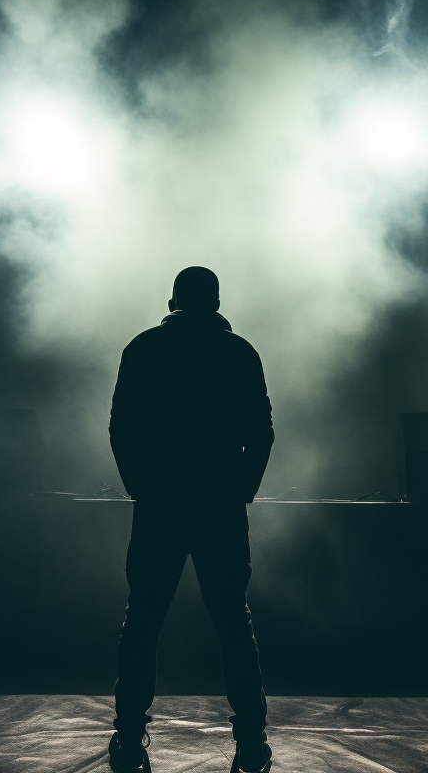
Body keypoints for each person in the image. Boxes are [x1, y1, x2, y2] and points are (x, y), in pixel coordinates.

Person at [107, 266, 276, 773]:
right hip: (219, 504)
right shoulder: (239, 352)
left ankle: (129, 736)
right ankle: (250, 740)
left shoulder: (143, 348)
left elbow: (121, 427)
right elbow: (262, 432)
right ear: (217, 301)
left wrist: (142, 486)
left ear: (173, 300)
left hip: (160, 502)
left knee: (143, 620)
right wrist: (241, 490)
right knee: (232, 621)